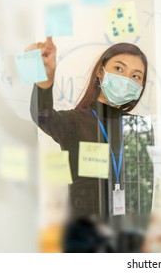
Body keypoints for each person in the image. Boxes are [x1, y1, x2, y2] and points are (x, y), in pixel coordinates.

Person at [28, 37, 153, 251]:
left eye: (136, 76)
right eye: (119, 69)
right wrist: (43, 82)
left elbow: (144, 191)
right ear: (101, 72)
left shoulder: (140, 126)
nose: (127, 79)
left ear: (140, 85)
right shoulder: (75, 121)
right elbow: (43, 116)